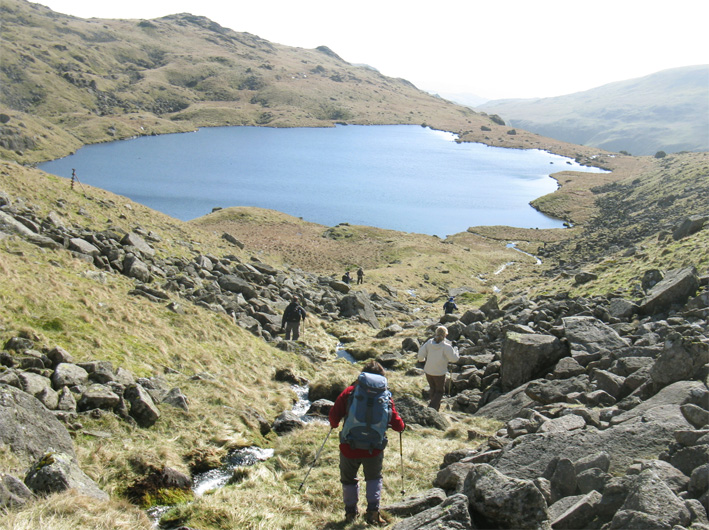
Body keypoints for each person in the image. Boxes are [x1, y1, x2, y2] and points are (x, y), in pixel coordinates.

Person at [329, 361, 405, 525]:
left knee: (348, 479)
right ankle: (372, 513)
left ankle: (350, 514)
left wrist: (335, 424)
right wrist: (400, 427)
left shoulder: (350, 392)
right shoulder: (385, 396)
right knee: (373, 478)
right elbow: (398, 424)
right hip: (374, 448)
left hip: (349, 446)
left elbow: (334, 417)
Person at [417, 326, 459, 411]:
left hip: (428, 371)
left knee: (433, 389)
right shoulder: (446, 346)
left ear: (436, 333)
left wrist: (423, 360)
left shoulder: (429, 343)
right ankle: (431, 409)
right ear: (445, 335)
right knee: (440, 391)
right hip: (439, 372)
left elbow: (420, 355)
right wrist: (456, 349)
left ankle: (436, 410)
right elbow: (454, 359)